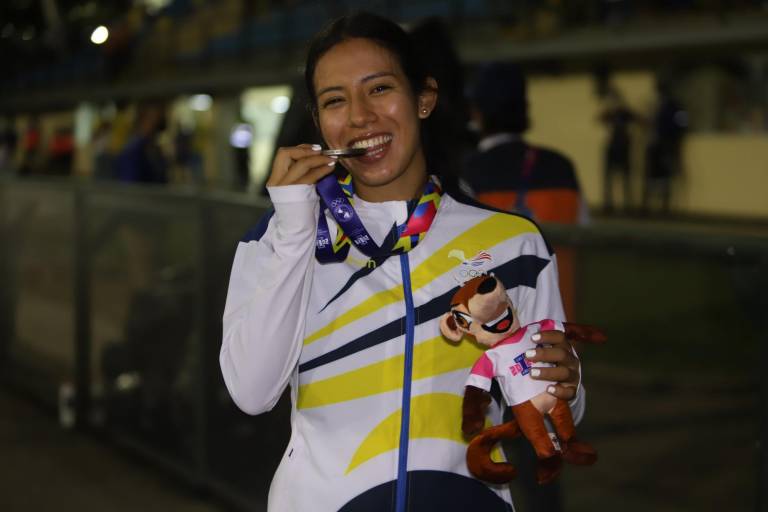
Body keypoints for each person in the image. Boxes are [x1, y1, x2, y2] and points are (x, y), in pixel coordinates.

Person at [221, 12, 591, 512]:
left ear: (424, 98)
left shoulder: (513, 243)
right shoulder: (280, 236)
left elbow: (545, 413)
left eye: (378, 89)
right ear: (319, 122)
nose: (358, 116)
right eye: (335, 100)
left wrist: (567, 389)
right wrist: (292, 232)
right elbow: (251, 392)